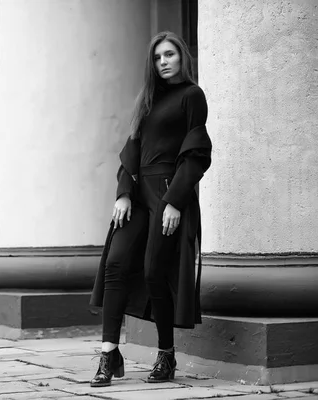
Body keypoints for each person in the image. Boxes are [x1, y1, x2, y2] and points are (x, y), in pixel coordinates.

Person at [89, 31, 212, 387]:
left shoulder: (192, 96)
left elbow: (196, 153)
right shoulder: (147, 99)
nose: (164, 62)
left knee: (153, 271)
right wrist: (123, 193)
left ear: (182, 57)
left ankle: (166, 355)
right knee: (115, 262)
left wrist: (175, 200)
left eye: (170, 54)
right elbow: (131, 150)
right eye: (158, 57)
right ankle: (109, 353)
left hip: (167, 193)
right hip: (138, 195)